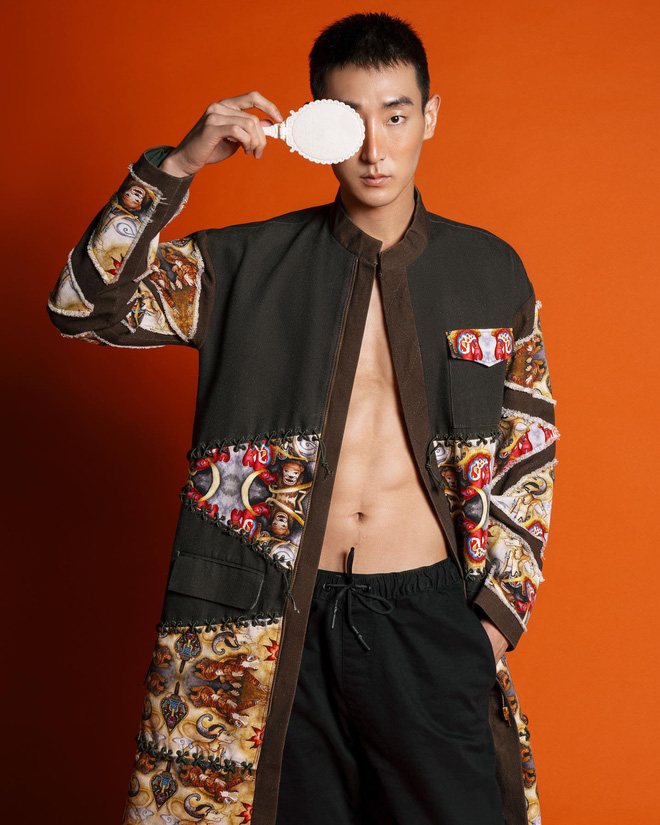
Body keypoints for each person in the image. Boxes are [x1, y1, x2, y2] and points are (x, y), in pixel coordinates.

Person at [46, 11, 558, 825]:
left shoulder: (491, 269)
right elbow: (83, 304)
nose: (375, 148)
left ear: (429, 117)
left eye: (396, 116)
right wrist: (179, 164)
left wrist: (493, 622)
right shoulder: (242, 262)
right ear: (317, 127)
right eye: (350, 121)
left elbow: (530, 449)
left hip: (430, 617)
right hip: (276, 617)